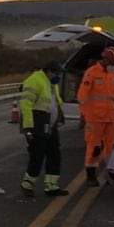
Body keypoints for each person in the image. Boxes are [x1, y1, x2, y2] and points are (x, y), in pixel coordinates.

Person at [18, 60, 69, 198]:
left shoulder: (51, 83)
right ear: (49, 71)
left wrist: (60, 116)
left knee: (54, 154)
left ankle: (51, 186)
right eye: (57, 73)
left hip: (50, 124)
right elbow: (26, 105)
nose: (59, 77)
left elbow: (54, 101)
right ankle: (27, 184)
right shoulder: (35, 80)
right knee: (37, 155)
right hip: (37, 123)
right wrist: (28, 128)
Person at [77, 45, 114, 186]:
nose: (113, 67)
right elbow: (82, 96)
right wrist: (83, 115)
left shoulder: (112, 76)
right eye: (112, 64)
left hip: (110, 118)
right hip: (94, 118)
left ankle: (108, 174)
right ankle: (91, 175)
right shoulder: (91, 73)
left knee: (110, 147)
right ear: (105, 60)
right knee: (94, 147)